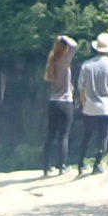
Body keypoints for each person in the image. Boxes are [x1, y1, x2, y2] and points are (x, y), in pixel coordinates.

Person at [74, 32, 108, 176]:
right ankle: (97, 165)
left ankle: (80, 163)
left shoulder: (86, 65)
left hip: (89, 107)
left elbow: (81, 87)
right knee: (102, 137)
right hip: (106, 107)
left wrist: (84, 103)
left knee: (87, 136)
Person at [39, 34, 79, 175]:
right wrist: (64, 37)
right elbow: (74, 45)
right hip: (65, 102)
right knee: (64, 135)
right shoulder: (63, 61)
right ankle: (61, 166)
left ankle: (46, 167)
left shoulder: (52, 61)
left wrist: (58, 42)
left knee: (51, 135)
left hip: (53, 102)